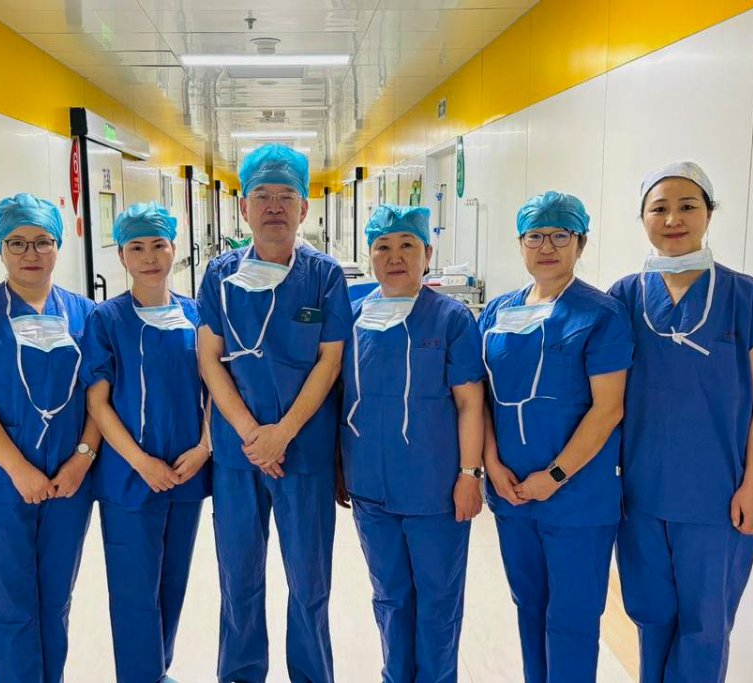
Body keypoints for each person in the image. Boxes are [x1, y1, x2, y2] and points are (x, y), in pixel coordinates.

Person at [608, 162, 753, 683]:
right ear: (643, 218)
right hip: (640, 496)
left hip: (718, 498)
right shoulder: (623, 298)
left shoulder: (749, 299)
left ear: (709, 213)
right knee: (651, 619)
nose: (673, 219)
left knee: (705, 628)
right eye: (659, 208)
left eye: (687, 206)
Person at [196, 144, 351, 683]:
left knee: (309, 582)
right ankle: (240, 674)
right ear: (244, 208)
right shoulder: (219, 276)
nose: (274, 207)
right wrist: (251, 435)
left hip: (303, 452)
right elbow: (209, 359)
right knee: (239, 579)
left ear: (304, 208)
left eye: (287, 196)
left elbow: (330, 361)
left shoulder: (325, 277)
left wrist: (282, 433)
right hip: (239, 456)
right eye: (262, 195)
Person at [0, 192, 99, 683]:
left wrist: (82, 458)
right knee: (8, 604)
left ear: (58, 246)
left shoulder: (85, 314)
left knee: (56, 598)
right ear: (0, 248)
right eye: (17, 242)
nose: (31, 253)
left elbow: (100, 396)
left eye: (42, 241)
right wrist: (19, 469)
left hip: (69, 479)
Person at [480, 192, 633, 683]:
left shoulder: (602, 314)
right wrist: (492, 465)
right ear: (520, 244)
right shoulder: (497, 312)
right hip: (512, 493)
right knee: (529, 606)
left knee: (572, 618)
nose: (546, 247)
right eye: (535, 236)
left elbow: (608, 408)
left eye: (560, 235)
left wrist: (556, 475)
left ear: (580, 243)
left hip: (577, 498)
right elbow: (480, 397)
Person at [340, 204, 486, 683]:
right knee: (390, 596)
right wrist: (340, 466)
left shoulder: (451, 319)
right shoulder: (352, 317)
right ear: (370, 255)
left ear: (428, 253)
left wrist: (470, 474)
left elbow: (470, 403)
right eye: (383, 246)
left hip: (435, 487)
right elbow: (340, 397)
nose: (395, 256)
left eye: (408, 245)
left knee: (438, 600)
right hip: (369, 486)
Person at [81, 202, 211, 683]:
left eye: (158, 245)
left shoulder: (196, 315)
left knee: (173, 581)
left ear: (175, 250)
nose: (149, 256)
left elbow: (216, 388)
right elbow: (98, 403)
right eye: (136, 247)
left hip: (188, 469)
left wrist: (205, 447)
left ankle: (158, 670)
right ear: (121, 257)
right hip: (130, 475)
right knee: (135, 589)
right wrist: (140, 462)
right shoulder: (107, 319)